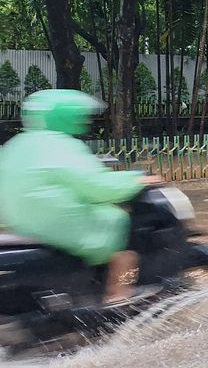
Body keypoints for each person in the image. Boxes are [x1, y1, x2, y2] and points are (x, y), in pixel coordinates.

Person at [0, 89, 156, 303]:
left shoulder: (16, 145)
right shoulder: (61, 145)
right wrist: (135, 180)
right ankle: (119, 297)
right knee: (120, 228)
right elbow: (97, 186)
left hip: (20, 224)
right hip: (60, 224)